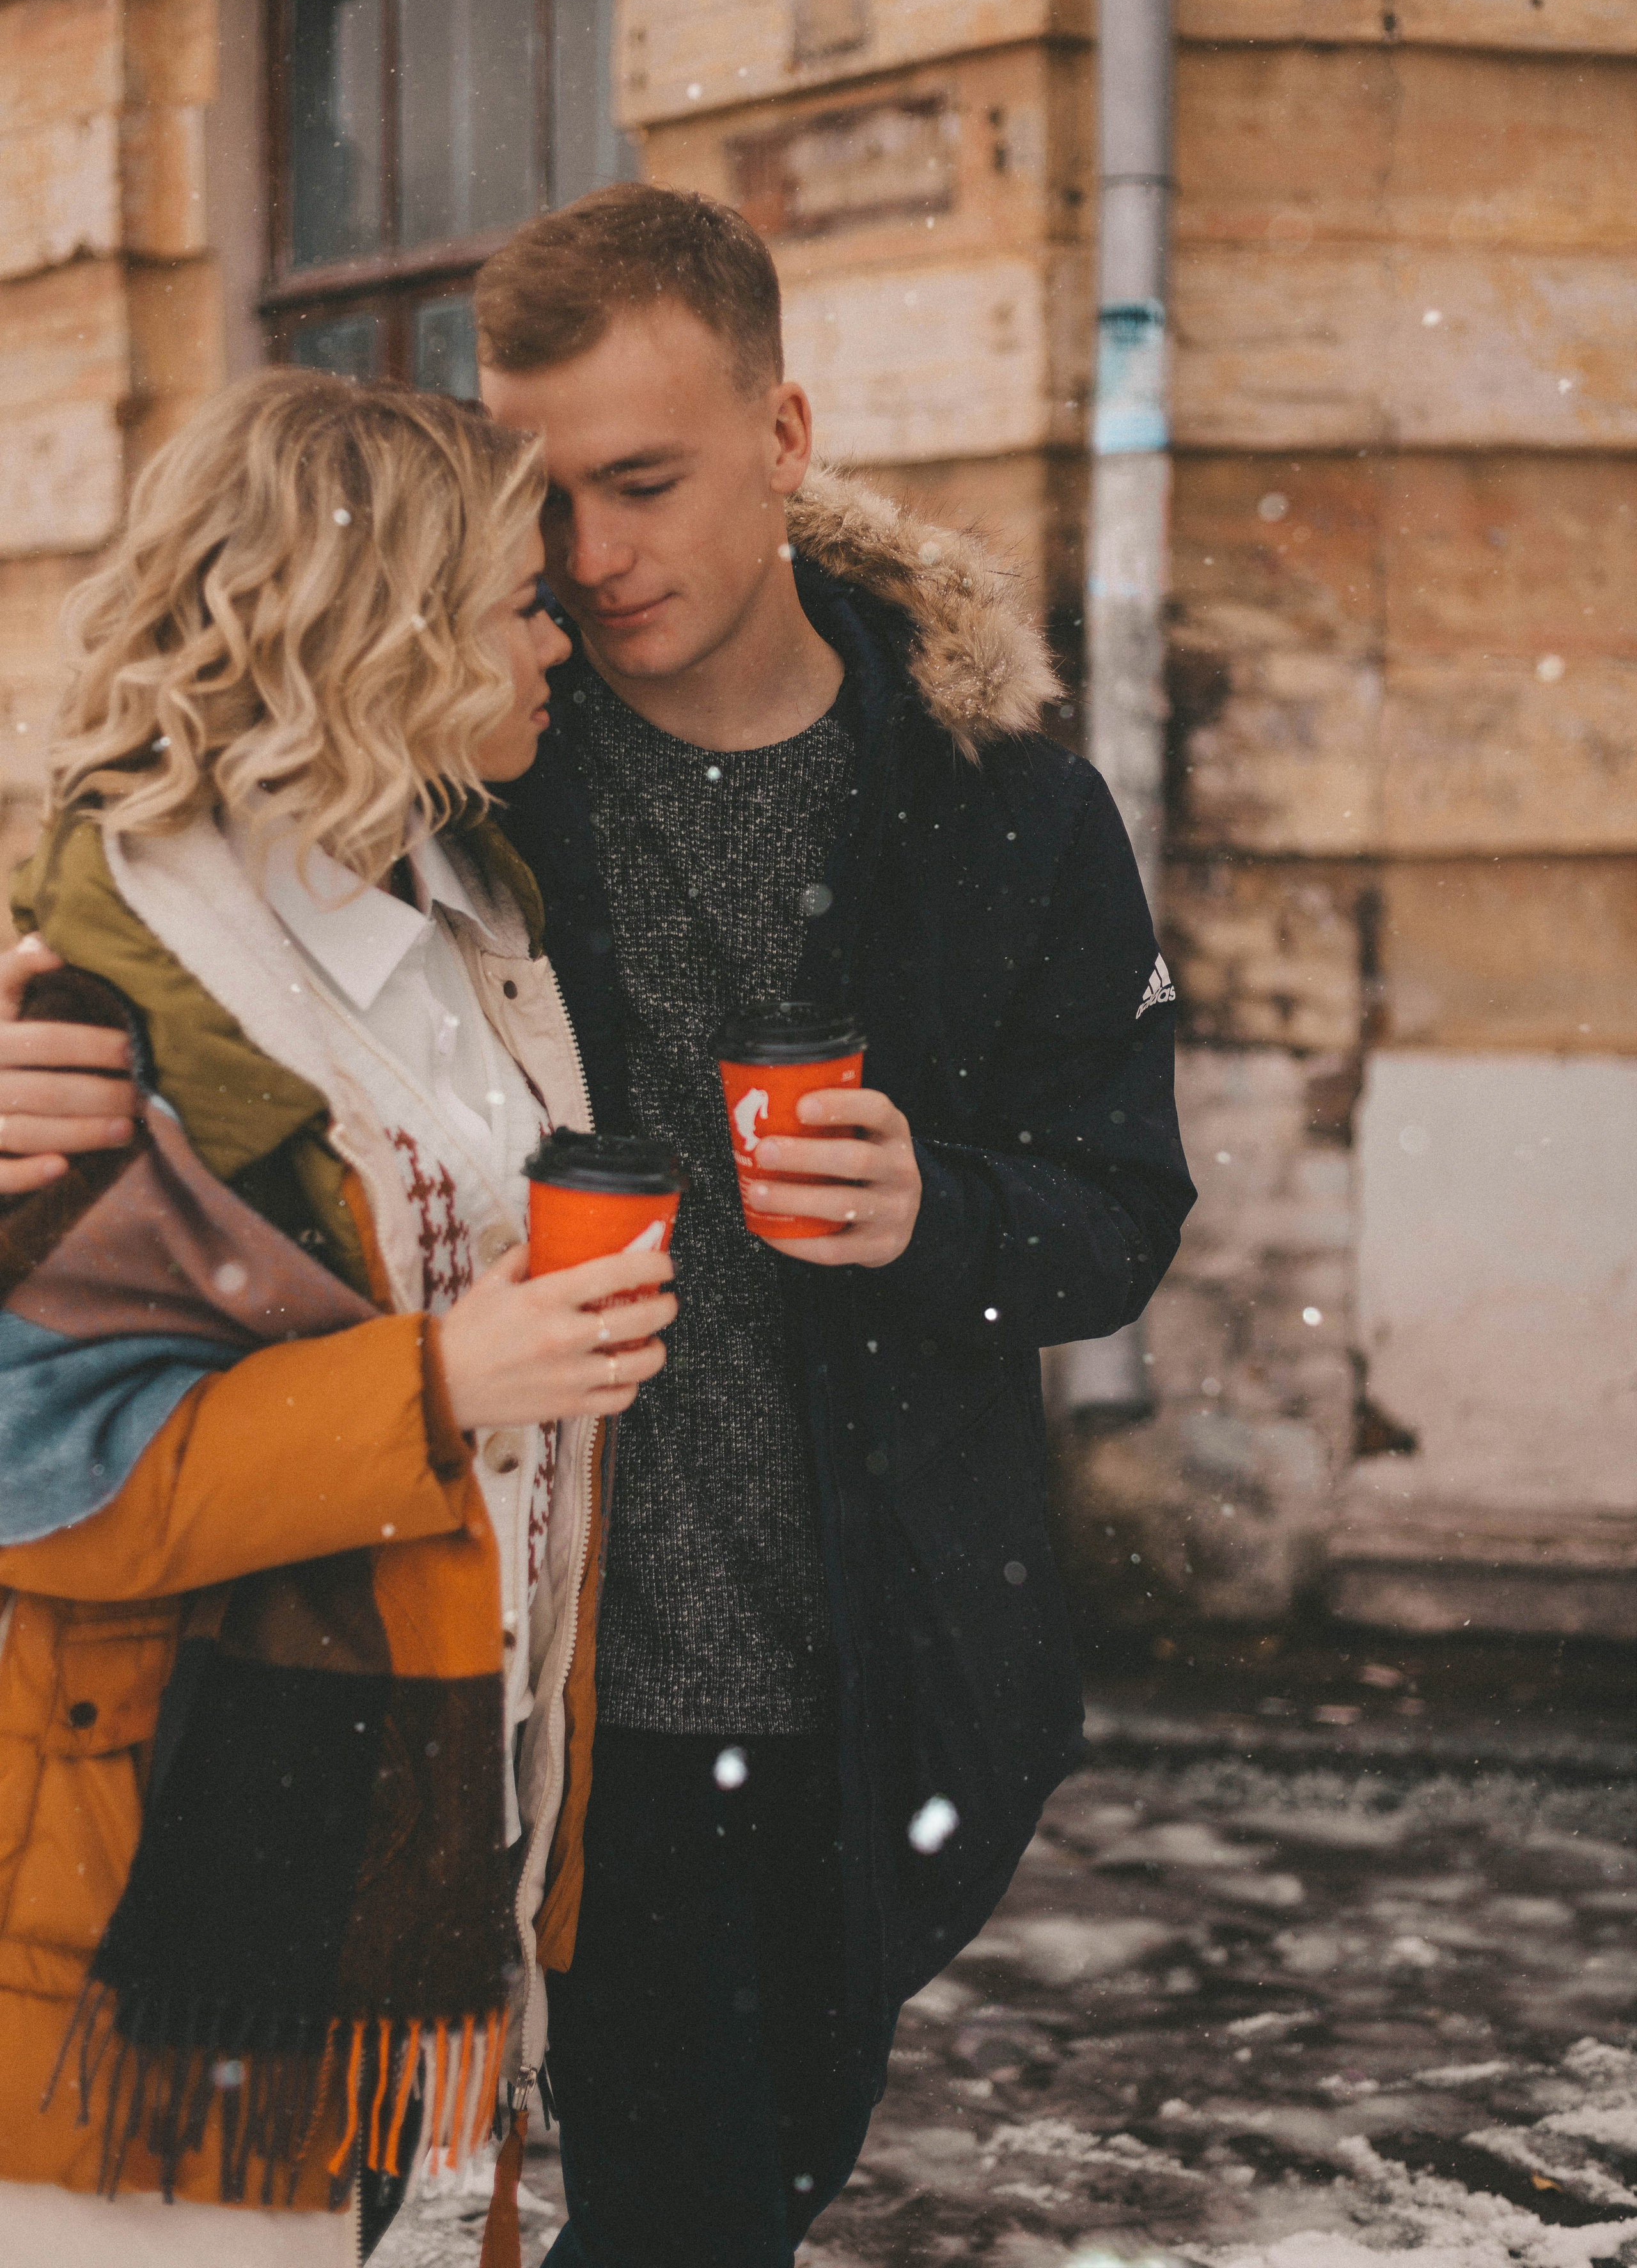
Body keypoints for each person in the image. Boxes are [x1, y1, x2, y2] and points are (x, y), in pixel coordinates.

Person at [0, 184, 1196, 2267]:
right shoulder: (475, 772)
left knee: (748, 2171)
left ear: (788, 435)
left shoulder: (1005, 803)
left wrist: (942, 1210)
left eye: (642, 484)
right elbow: (170, 849)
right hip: (538, 1700)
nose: (582, 568)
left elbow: (1119, 1215)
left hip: (877, 1678)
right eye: (541, 508)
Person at [0, 370, 677, 2262]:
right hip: (182, 1856)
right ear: (371, 632)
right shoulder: (113, 983)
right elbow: (52, 1484)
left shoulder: (470, 899)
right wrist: (452, 1379)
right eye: (514, 601)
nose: (563, 633)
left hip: (462, 1789)